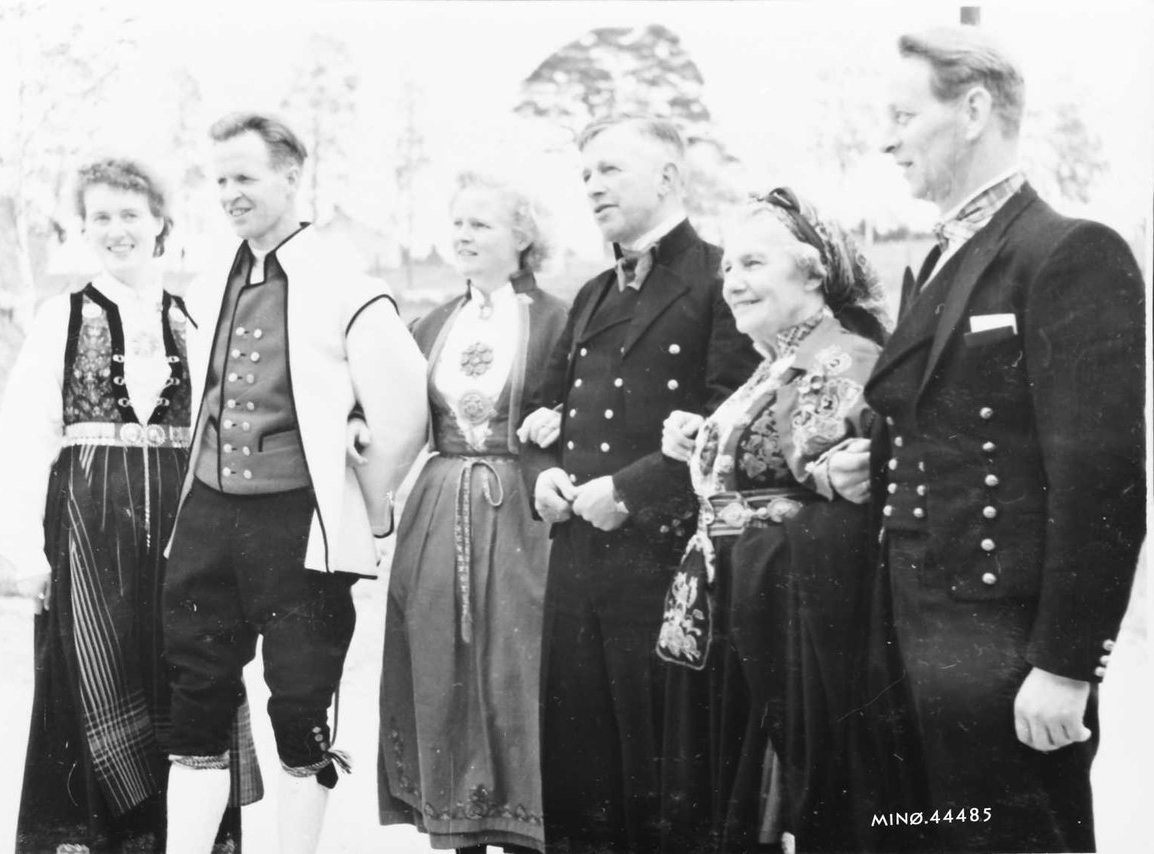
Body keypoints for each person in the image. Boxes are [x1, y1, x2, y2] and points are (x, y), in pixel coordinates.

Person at [827, 26, 1145, 852]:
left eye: (902, 114)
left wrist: (1068, 664)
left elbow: (1102, 479)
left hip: (1005, 652)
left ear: (973, 110)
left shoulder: (1067, 252)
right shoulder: (934, 261)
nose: (885, 137)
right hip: (906, 628)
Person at [159, 113, 428, 854]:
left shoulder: (347, 283)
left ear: (289, 176)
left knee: (299, 709)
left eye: (245, 177)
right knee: (195, 703)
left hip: (296, 527)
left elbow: (404, 409)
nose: (231, 194)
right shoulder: (209, 280)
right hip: (209, 518)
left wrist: (365, 501)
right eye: (219, 180)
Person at [0, 157, 255, 852]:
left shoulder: (193, 321)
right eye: (100, 216)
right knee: (91, 684)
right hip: (87, 536)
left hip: (179, 536)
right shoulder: (60, 319)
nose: (116, 229)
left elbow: (221, 436)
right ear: (83, 228)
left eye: (130, 214)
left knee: (185, 687)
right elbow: (22, 439)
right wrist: (24, 553)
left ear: (161, 221)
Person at [520, 116, 759, 853]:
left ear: (667, 178)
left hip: (666, 567)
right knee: (578, 767)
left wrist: (630, 489)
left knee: (665, 772)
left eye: (611, 170)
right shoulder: (590, 293)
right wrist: (543, 475)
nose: (592, 185)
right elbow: (540, 408)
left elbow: (736, 420)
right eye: (586, 172)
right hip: (577, 568)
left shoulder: (723, 279)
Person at [656, 188, 889, 853]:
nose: (733, 282)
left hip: (780, 626)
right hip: (731, 615)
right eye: (728, 268)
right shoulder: (774, 365)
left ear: (814, 272)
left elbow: (822, 474)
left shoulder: (842, 357)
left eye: (753, 264)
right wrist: (704, 435)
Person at [378, 172, 568, 854]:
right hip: (438, 506)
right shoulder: (429, 323)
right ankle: (457, 832)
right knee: (441, 667)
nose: (463, 235)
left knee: (517, 670)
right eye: (457, 223)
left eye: (481, 223)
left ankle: (523, 832)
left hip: (522, 513)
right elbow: (387, 409)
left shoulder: (557, 319)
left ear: (522, 237)